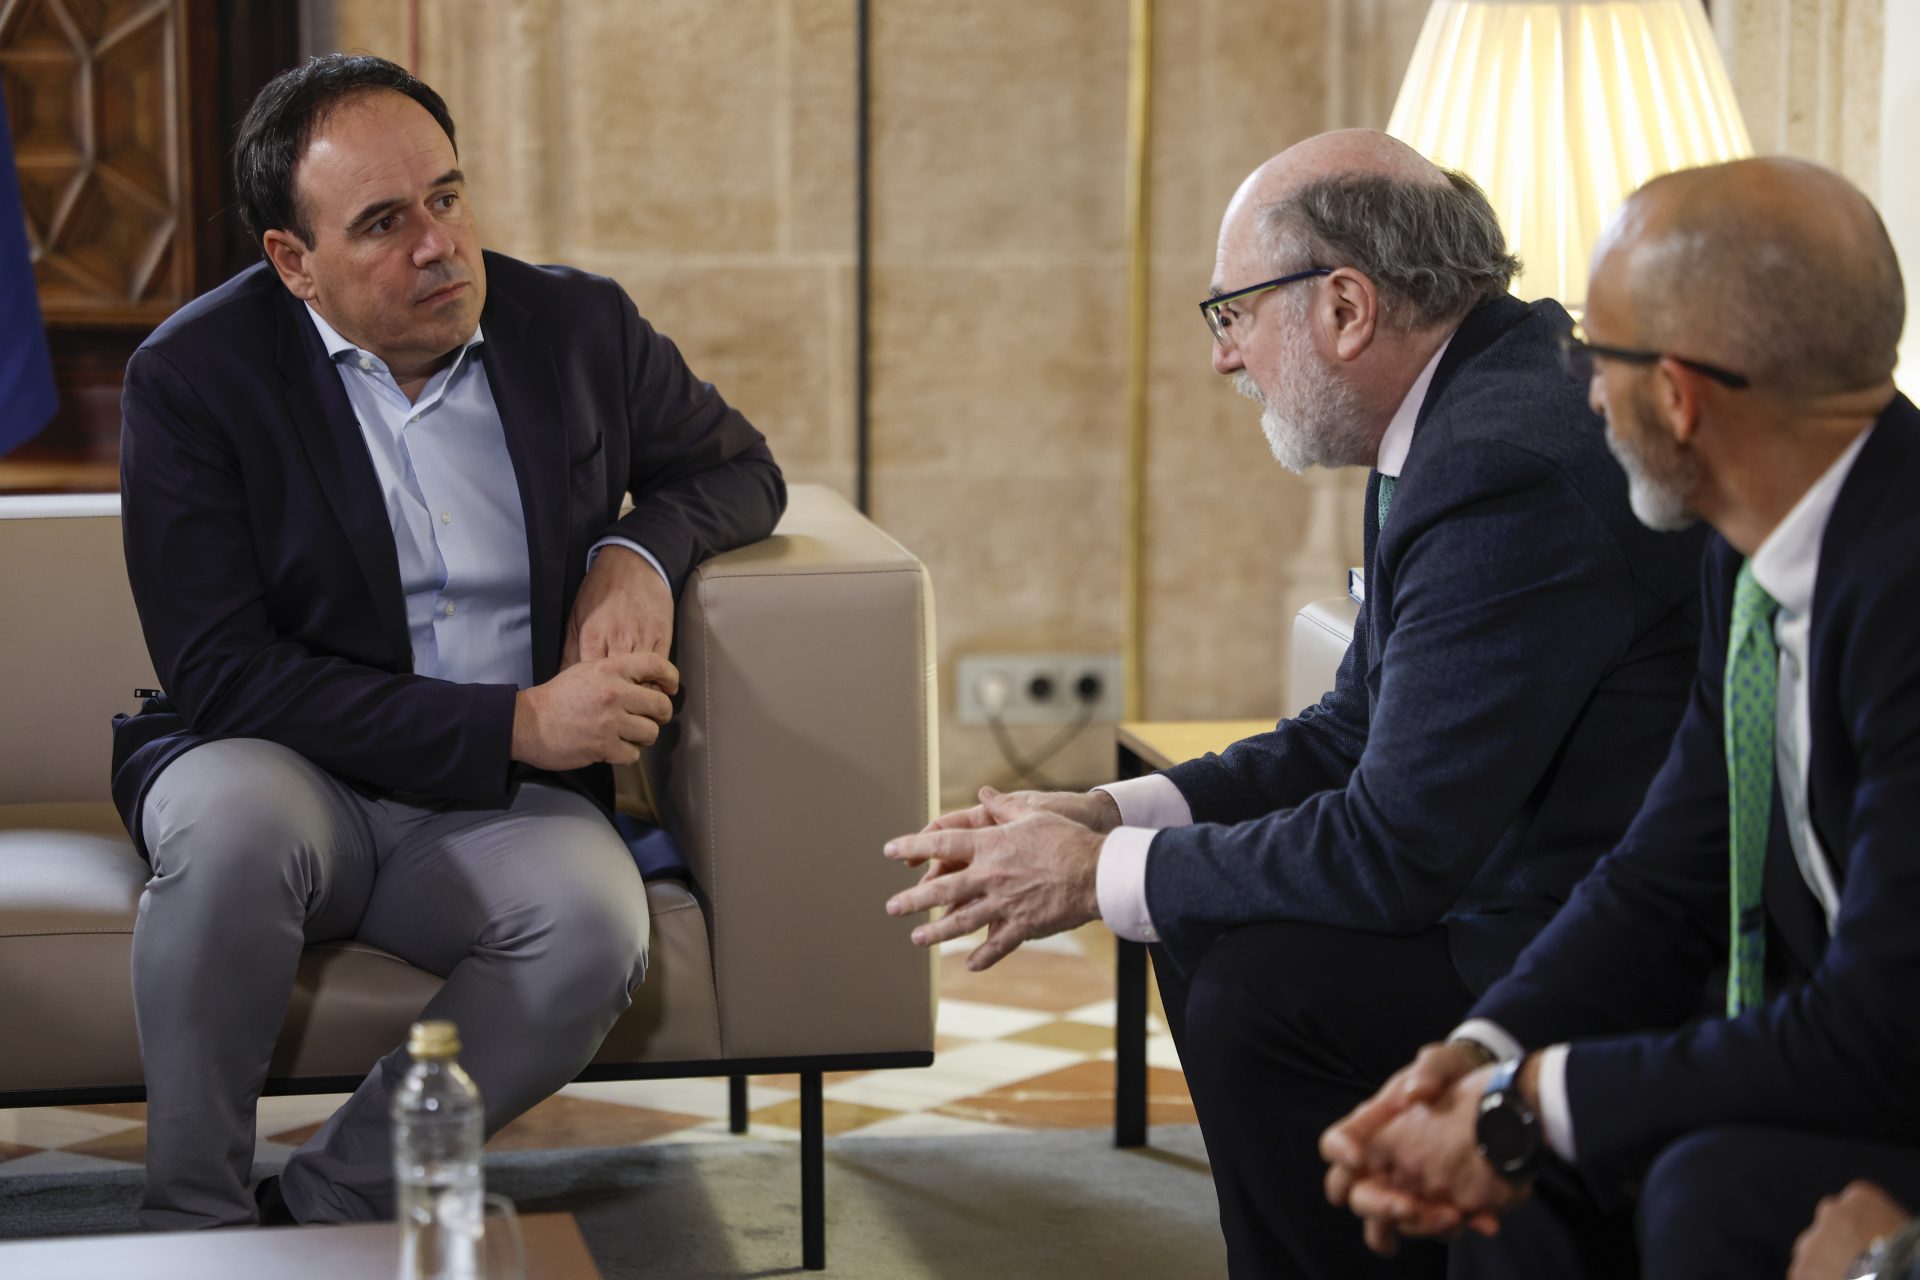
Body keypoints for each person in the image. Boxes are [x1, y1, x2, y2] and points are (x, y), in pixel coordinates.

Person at [881, 129, 1706, 1277]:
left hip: (1595, 936)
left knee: (1254, 987)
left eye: (1233, 312)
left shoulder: (1503, 458)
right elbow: (1352, 724)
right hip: (1513, 881)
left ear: (1347, 307)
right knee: (1200, 924)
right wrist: (1108, 815)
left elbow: (1395, 848)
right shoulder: (1455, 408)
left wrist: (1095, 874)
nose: (1224, 356)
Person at [111, 54, 784, 1229]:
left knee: (593, 921)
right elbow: (223, 673)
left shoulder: (577, 327)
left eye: (448, 196)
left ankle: (327, 1206)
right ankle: (194, 1223)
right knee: (229, 826)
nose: (440, 245)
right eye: (384, 222)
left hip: (494, 803)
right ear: (293, 261)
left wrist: (635, 549)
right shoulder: (194, 375)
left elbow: (739, 468)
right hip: (284, 767)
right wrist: (521, 719)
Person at [1321, 157, 1920, 1280]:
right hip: (1847, 1039)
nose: (1588, 395)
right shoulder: (1750, 549)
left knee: (1699, 1187)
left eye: (1597, 357)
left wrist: (1529, 1101)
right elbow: (1665, 873)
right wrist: (1482, 1056)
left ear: (1680, 396)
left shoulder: (1903, 591)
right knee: (1540, 1175)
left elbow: (1881, 1023)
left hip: (1881, 1053)